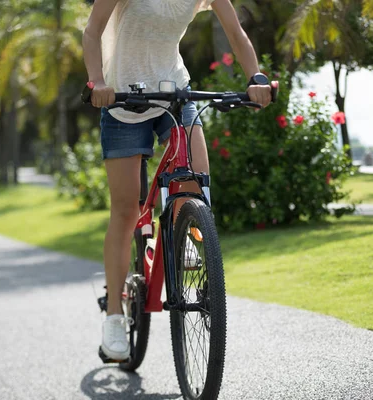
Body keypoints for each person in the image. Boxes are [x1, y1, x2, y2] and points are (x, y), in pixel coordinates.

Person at [82, 0, 272, 361]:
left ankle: (186, 230)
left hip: (174, 93)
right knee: (125, 212)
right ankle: (113, 317)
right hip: (123, 102)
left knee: (194, 183)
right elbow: (91, 32)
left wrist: (256, 77)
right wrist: (99, 81)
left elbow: (236, 32)